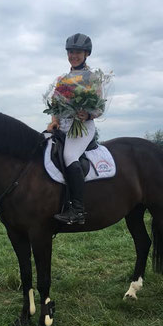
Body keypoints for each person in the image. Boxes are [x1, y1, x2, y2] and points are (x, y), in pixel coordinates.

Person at [46, 33, 103, 225]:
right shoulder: (62, 79)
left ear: (86, 54)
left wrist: (87, 115)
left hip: (82, 127)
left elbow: (99, 108)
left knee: (70, 156)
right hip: (62, 126)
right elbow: (55, 105)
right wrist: (54, 120)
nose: (73, 55)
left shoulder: (93, 78)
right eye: (70, 52)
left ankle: (77, 210)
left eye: (77, 52)